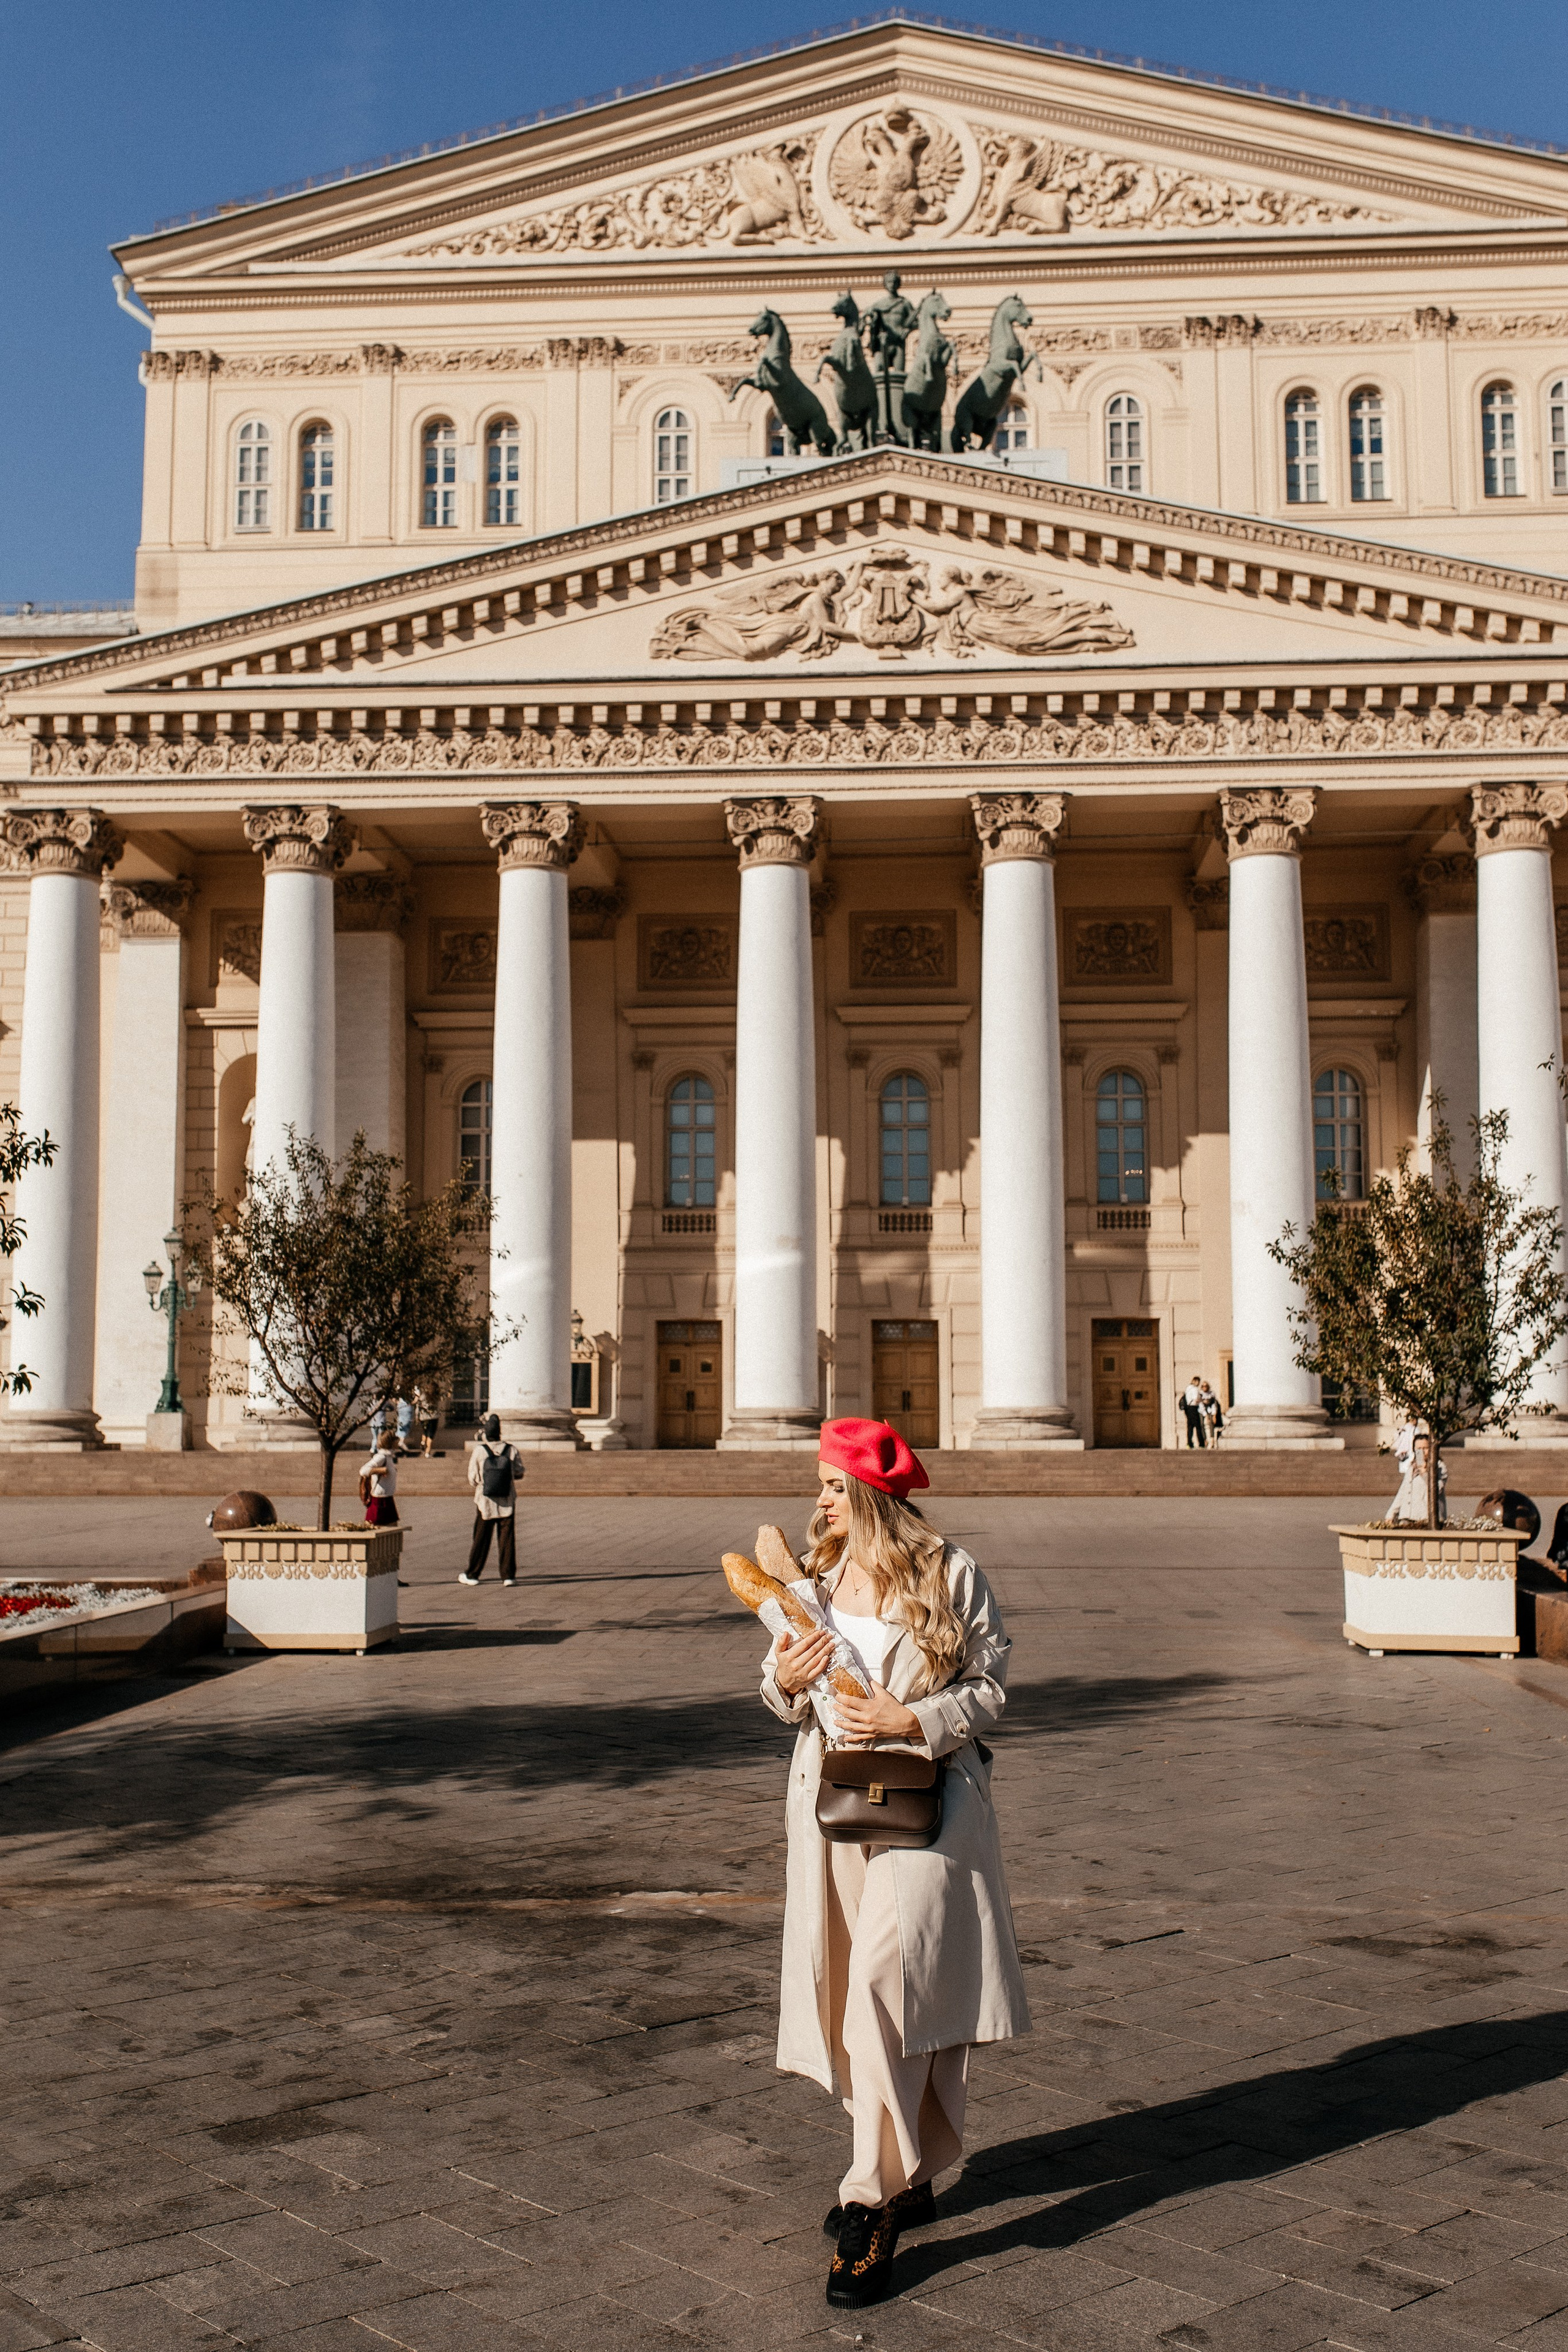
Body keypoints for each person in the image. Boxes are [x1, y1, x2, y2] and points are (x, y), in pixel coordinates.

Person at [763, 1417, 1030, 2310]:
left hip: (931, 1804)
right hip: (837, 1804)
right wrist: (786, 1681)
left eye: (832, 1485)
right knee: (856, 1989)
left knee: (887, 1976)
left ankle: (869, 2203)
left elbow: (988, 1688)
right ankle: (904, 2164)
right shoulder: (813, 1583)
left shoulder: (951, 1574)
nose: (819, 1500)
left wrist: (913, 1720)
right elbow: (778, 1689)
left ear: (870, 1493)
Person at [461, 1414, 522, 1585]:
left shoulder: (480, 1451)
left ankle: (473, 1574)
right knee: (507, 1539)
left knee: (481, 1538)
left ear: (486, 1434)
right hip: (507, 1499)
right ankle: (508, 1576)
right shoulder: (511, 1449)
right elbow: (519, 1471)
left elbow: (473, 1478)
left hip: (485, 1501)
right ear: (500, 1432)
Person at [1386, 1431, 1446, 1525]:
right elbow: (1402, 1492)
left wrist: (1424, 1473)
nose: (1422, 1452)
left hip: (1427, 1518)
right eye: (1418, 1449)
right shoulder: (1412, 1468)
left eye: (1425, 1448)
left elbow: (1438, 1489)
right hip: (1407, 1516)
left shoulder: (1439, 1466)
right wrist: (1391, 1514)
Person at [358, 1436, 400, 1527]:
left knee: (393, 1531)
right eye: (396, 1441)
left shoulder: (389, 1457)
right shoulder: (381, 1457)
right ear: (390, 1442)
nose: (398, 1443)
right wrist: (380, 1470)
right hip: (379, 1500)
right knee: (374, 1529)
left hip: (388, 1498)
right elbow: (363, 1471)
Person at [413, 1381, 440, 1458]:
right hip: (433, 1417)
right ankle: (428, 1452)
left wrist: (417, 1416)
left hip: (423, 1418)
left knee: (425, 1431)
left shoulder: (423, 1396)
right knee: (431, 1435)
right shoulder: (436, 1397)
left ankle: (423, 1442)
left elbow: (418, 1406)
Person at [1180, 1376, 1205, 1449]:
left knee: (1190, 1427)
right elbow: (1196, 1399)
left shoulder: (1188, 1388)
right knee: (1198, 1426)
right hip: (1194, 1408)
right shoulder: (1195, 1389)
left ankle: (1189, 1443)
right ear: (1196, 1381)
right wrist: (1201, 1400)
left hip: (1188, 1409)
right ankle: (1201, 1443)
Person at [1200, 1379, 1224, 1447]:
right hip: (1202, 1411)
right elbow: (1201, 1405)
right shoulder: (1200, 1394)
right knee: (1202, 1425)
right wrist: (1206, 1415)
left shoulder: (1211, 1394)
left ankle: (1212, 1439)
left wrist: (1214, 1415)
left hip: (1210, 1411)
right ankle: (1205, 1440)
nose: (1205, 1388)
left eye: (1206, 1386)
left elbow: (1214, 1405)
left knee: (1211, 1424)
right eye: (1203, 1386)